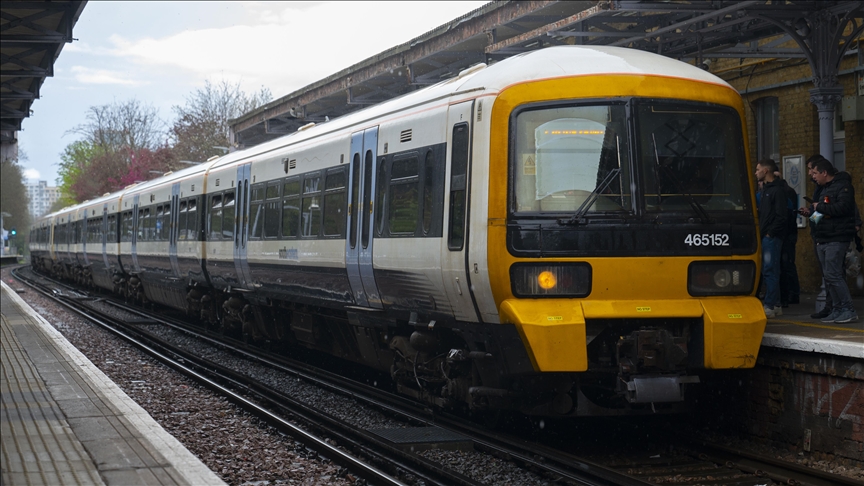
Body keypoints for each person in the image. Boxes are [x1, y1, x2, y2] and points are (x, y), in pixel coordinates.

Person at [799, 158, 858, 323]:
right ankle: (838, 309)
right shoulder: (824, 189)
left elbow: (843, 208)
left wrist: (820, 208)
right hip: (823, 237)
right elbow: (821, 214)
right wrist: (810, 215)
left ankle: (848, 308)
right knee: (829, 275)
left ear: (825, 173)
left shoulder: (843, 187)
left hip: (836, 237)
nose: (813, 176)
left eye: (816, 173)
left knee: (833, 274)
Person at [755, 159, 787, 318]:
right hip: (767, 235)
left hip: (771, 237)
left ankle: (769, 305)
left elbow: (781, 216)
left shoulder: (776, 191)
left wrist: (770, 233)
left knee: (769, 270)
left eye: (758, 169)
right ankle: (776, 304)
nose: (756, 173)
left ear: (766, 171)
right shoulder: (767, 190)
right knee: (771, 270)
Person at [777, 171, 800, 307]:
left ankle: (792, 293)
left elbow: (786, 216)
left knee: (787, 264)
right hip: (788, 233)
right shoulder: (788, 191)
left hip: (787, 234)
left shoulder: (784, 193)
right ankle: (790, 294)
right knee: (787, 264)